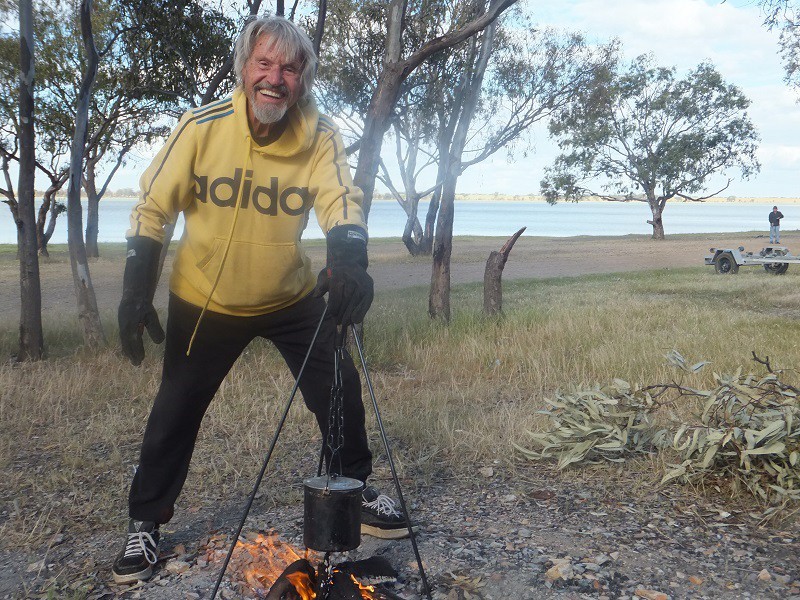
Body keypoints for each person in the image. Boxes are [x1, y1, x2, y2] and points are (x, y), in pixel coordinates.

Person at [112, 16, 409, 585]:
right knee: (176, 407)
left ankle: (355, 485)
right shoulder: (200, 128)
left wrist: (350, 262)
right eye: (264, 64)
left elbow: (341, 200)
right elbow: (153, 208)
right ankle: (145, 522)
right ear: (244, 68)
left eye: (290, 69)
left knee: (339, 384)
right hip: (205, 297)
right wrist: (135, 290)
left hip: (288, 295)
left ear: (303, 80)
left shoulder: (320, 134)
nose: (275, 78)